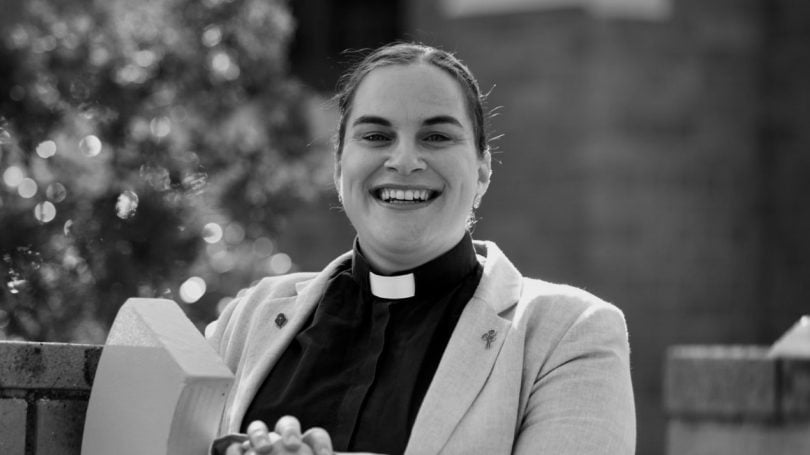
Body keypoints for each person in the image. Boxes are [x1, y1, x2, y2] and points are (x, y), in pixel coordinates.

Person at [206, 42, 636, 455]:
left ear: (483, 171)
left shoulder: (568, 334)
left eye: (436, 137)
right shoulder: (247, 319)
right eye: (376, 136)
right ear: (339, 166)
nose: (405, 160)